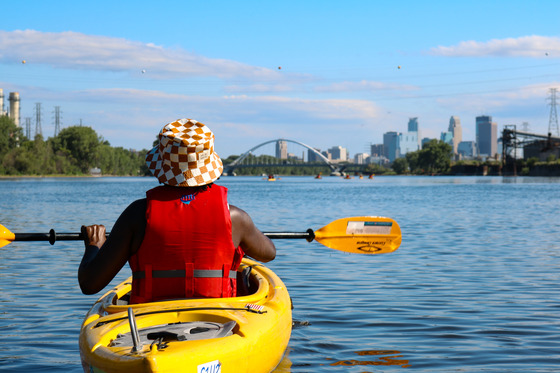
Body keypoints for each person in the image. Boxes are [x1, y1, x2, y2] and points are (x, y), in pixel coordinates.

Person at [78, 118, 275, 303]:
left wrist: (94, 246)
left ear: (162, 168)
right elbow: (269, 253)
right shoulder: (236, 218)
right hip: (221, 319)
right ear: (208, 168)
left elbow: (90, 284)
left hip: (148, 320)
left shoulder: (137, 214)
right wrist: (240, 240)